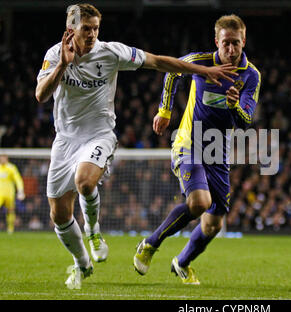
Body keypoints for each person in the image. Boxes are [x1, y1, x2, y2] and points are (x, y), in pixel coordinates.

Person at [35, 3, 237, 290]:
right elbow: (41, 95)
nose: (92, 34)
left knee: (84, 181)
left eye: (95, 28)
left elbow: (157, 61)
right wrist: (63, 65)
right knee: (59, 214)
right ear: (71, 30)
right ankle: (82, 263)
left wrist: (202, 71)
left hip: (99, 134)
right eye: (86, 29)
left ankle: (94, 232)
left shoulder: (111, 52)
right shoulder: (55, 55)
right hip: (65, 139)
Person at [133, 14, 261, 284]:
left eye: (236, 43)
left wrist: (235, 105)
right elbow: (171, 72)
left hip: (218, 151)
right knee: (200, 203)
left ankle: (182, 262)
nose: (230, 49)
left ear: (243, 41)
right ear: (217, 41)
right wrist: (165, 111)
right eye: (225, 43)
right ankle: (150, 244)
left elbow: (247, 121)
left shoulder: (251, 76)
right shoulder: (199, 62)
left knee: (214, 225)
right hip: (189, 142)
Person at [0, 155, 26, 234]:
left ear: (7, 158)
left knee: (10, 211)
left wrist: (20, 191)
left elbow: (18, 180)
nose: (2, 159)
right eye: (1, 157)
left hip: (9, 193)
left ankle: (10, 229)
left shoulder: (11, 168)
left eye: (3, 157)